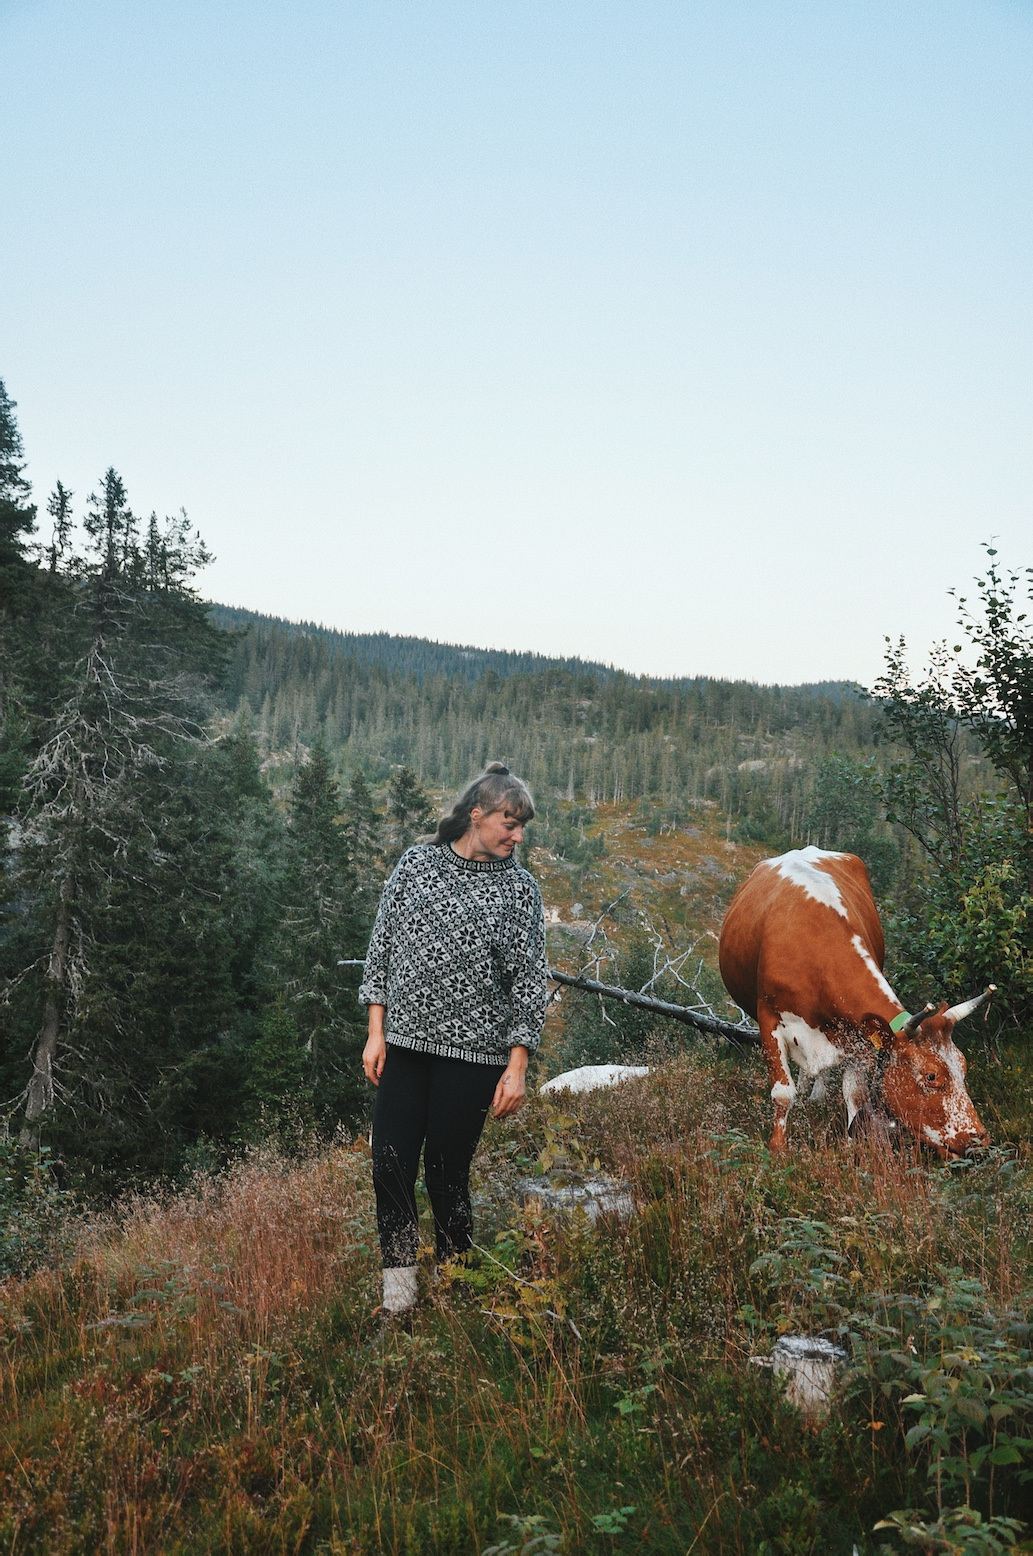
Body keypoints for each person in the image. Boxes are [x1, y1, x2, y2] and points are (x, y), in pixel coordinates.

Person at [359, 762, 548, 1316]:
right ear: (477, 815)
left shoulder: (519, 889)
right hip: (405, 1050)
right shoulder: (416, 865)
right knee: (389, 1165)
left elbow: (529, 980)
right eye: (508, 824)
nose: (517, 837)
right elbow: (382, 949)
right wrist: (377, 1031)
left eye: (521, 828)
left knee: (446, 1176)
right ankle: (399, 1302)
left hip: (473, 1060)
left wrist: (517, 1066)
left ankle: (456, 1291)